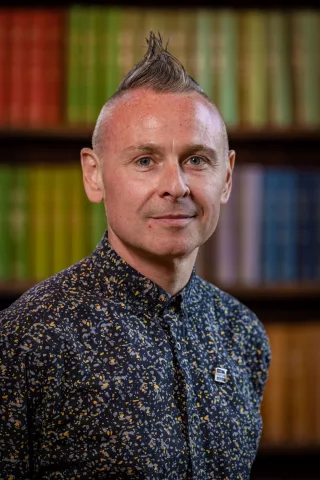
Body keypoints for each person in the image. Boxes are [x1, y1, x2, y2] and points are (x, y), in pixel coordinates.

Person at [0, 32, 271, 479]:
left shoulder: (242, 335)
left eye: (197, 160)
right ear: (94, 175)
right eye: (145, 160)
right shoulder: (26, 341)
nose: (176, 185)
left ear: (226, 177)